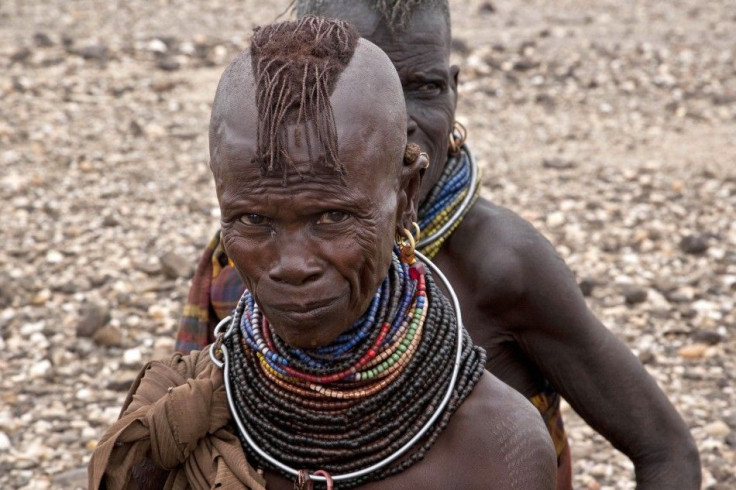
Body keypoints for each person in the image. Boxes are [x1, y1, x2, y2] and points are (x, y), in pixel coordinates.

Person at [175, 1, 701, 489]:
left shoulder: (501, 265)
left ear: (454, 90)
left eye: (423, 88)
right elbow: (191, 431)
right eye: (359, 85)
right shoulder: (245, 257)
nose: (399, 120)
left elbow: (666, 450)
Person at [89, 16, 557, 489]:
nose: (292, 266)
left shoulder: (493, 447)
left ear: (406, 198)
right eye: (253, 220)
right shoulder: (175, 420)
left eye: (332, 218)